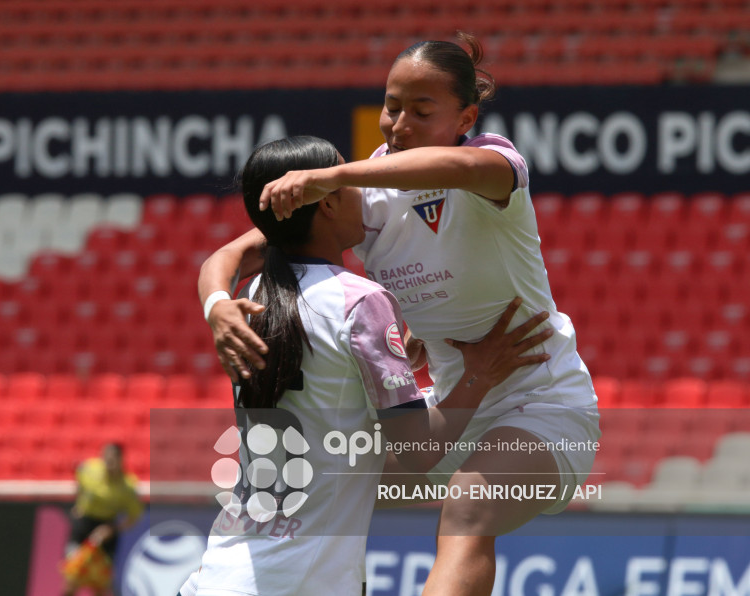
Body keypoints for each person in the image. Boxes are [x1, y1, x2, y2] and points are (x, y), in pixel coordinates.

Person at [199, 33, 601, 596]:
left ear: (465, 115)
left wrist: (337, 176)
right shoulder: (368, 190)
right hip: (449, 412)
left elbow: (457, 168)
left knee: (466, 510)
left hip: (540, 403)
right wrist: (218, 303)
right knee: (320, 471)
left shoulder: (494, 166)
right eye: (392, 106)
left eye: (421, 110)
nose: (398, 123)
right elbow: (238, 252)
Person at [182, 136, 552, 596]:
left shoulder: (254, 295)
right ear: (330, 202)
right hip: (304, 582)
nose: (364, 189)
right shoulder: (360, 301)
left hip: (219, 574)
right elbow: (419, 452)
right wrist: (480, 373)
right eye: (347, 177)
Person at [62, 442, 144, 596]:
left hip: (107, 530)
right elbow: (79, 483)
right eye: (106, 458)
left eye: (113, 460)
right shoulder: (89, 470)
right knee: (71, 579)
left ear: (121, 460)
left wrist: (113, 529)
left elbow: (134, 517)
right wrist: (79, 504)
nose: (109, 463)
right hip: (83, 527)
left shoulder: (128, 486)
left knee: (101, 586)